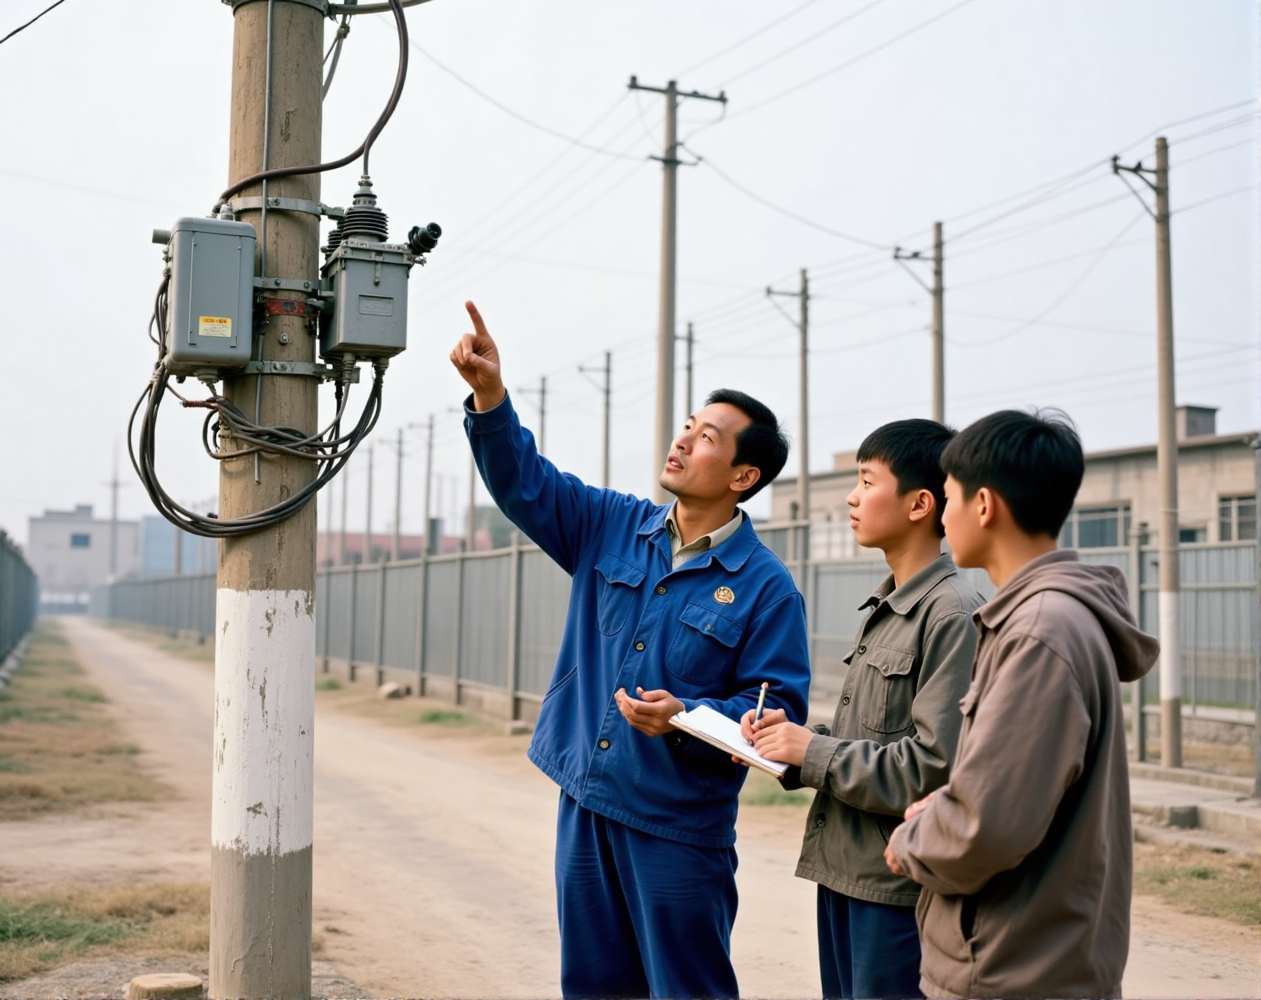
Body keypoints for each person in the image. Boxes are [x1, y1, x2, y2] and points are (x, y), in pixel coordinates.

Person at [449, 301, 811, 1000]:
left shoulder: (768, 591)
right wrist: (490, 397)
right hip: (586, 804)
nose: (681, 442)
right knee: (592, 985)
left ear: (743, 476)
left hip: (676, 828)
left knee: (686, 989)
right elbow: (524, 483)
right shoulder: (611, 526)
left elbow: (774, 719)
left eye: (706, 437)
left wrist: (687, 713)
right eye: (687, 427)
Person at [884, 410, 1158, 999]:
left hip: (1012, 968)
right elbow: (1015, 786)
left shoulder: (1039, 631)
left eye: (949, 495)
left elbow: (989, 829)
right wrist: (950, 803)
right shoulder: (1045, 618)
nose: (944, 512)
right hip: (1034, 959)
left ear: (984, 505)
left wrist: (913, 840)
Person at [740, 419, 983, 1000]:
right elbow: (874, 736)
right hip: (848, 876)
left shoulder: (951, 614)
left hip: (898, 890)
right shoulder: (890, 605)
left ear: (921, 503)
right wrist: (792, 743)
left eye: (868, 481)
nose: (852, 497)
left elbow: (935, 767)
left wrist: (814, 751)